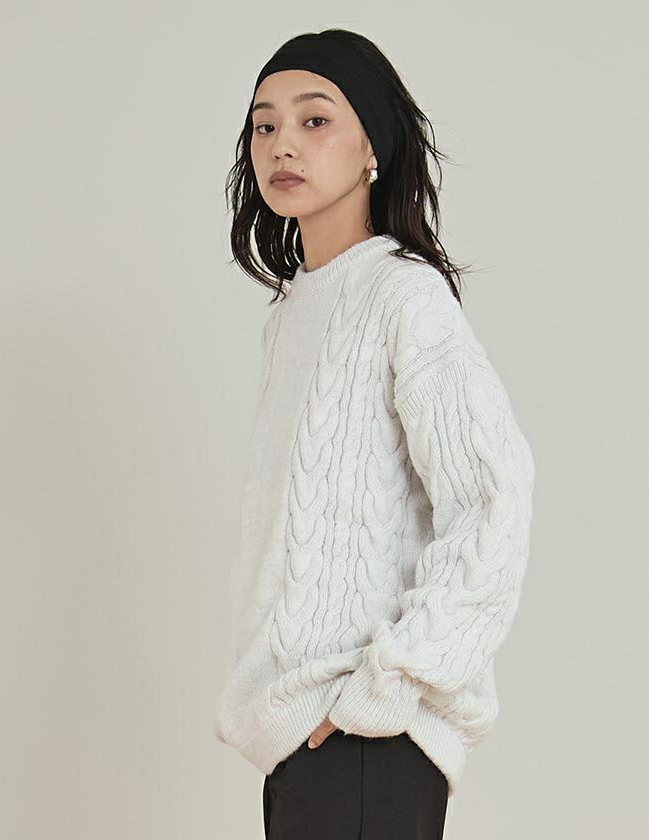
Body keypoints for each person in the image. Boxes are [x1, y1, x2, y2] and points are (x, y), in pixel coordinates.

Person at [214, 28, 535, 840]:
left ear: (372, 150)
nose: (282, 143)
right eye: (263, 124)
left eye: (315, 119)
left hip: (366, 738)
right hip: (302, 740)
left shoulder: (403, 296)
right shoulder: (292, 314)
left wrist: (387, 686)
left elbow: (493, 499)